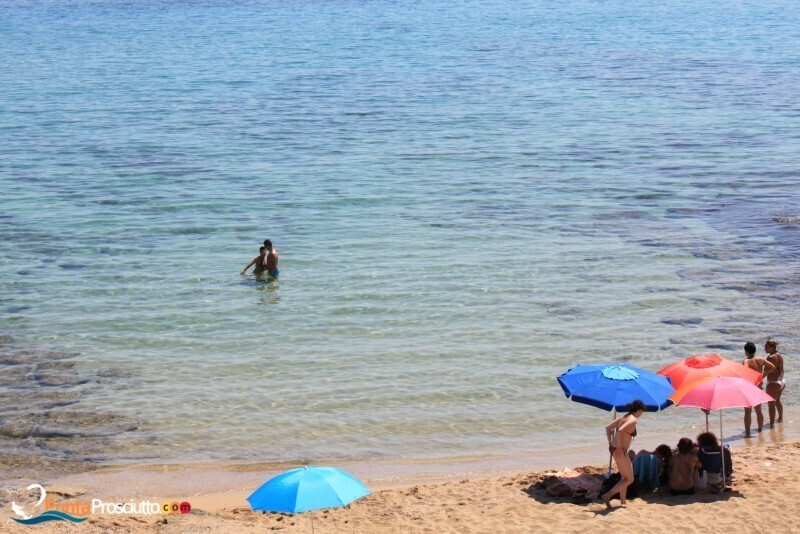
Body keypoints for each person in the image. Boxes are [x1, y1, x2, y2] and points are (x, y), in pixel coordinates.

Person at [600, 399, 645, 509]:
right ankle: (608, 495)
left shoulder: (624, 416)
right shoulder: (633, 420)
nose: (642, 413)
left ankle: (623, 502)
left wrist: (610, 443)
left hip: (613, 449)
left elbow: (608, 428)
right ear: (639, 410)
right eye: (642, 411)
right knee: (630, 479)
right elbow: (620, 431)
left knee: (624, 477)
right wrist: (620, 447)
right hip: (620, 450)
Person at [742, 341, 776, 437]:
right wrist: (761, 376)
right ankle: (760, 430)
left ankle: (748, 433)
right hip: (758, 387)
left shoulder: (746, 361)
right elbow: (772, 367)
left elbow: (744, 370)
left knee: (748, 412)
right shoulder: (760, 359)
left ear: (746, 352)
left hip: (749, 388)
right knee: (758, 410)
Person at [764, 339, 785, 426]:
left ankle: (772, 424)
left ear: (772, 347)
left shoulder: (770, 357)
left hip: (773, 383)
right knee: (777, 401)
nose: (764, 349)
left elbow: (767, 370)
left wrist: (759, 377)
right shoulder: (779, 355)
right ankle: (780, 418)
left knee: (771, 405)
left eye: (766, 347)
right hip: (782, 381)